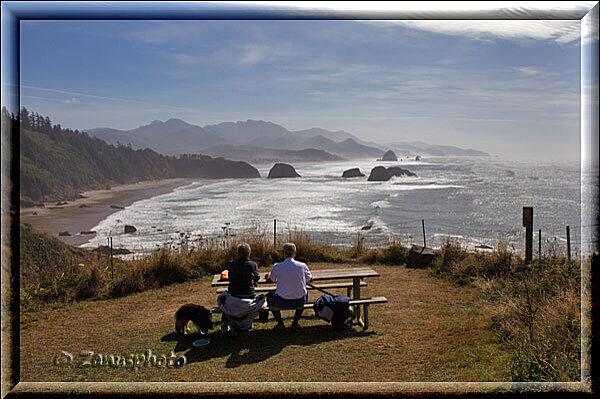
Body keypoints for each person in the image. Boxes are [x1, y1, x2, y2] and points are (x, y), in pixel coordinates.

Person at [266, 242, 313, 330]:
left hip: (282, 301)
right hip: (299, 301)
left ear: (283, 254)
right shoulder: (302, 266)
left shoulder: (277, 266)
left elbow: (271, 280)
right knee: (305, 293)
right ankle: (295, 322)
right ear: (294, 254)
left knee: (270, 296)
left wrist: (268, 276)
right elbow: (310, 279)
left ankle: (280, 323)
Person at [220, 243, 261, 332]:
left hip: (233, 295)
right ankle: (248, 322)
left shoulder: (232, 264)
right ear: (249, 253)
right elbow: (257, 277)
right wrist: (254, 280)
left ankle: (224, 322)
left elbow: (230, 278)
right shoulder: (253, 264)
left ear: (238, 253)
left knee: (224, 300)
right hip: (249, 295)